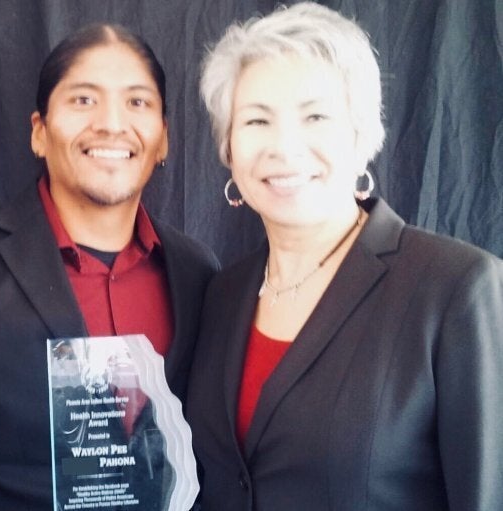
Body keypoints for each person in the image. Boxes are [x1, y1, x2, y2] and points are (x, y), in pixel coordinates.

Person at [0, 23, 218, 510]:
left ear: (162, 140)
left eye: (137, 102)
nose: (111, 123)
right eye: (83, 100)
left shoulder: (199, 273)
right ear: (39, 132)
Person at [186, 3, 503, 510]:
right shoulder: (223, 293)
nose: (285, 147)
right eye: (257, 120)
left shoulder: (456, 289)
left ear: (361, 136)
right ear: (228, 147)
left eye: (315, 116)